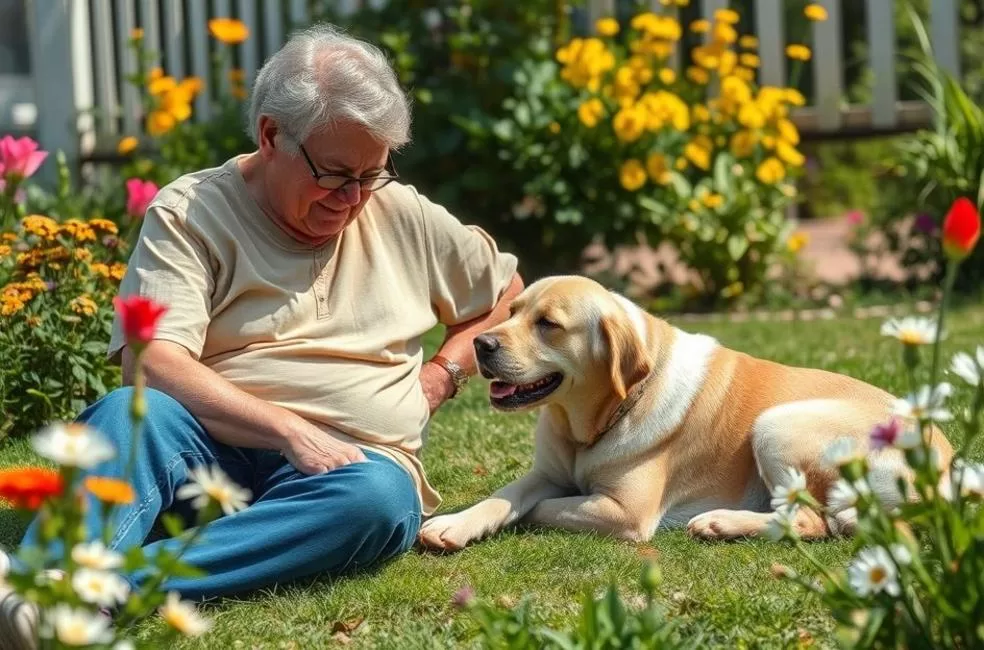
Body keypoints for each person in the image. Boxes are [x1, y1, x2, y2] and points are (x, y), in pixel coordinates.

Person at [0, 22, 522, 647]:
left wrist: (445, 373)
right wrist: (288, 429)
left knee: (380, 499)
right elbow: (153, 363)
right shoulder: (191, 211)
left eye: (371, 174)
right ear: (272, 135)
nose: (353, 198)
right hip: (206, 453)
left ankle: (74, 595)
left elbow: (504, 295)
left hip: (344, 474)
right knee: (128, 412)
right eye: (334, 174)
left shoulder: (401, 211)